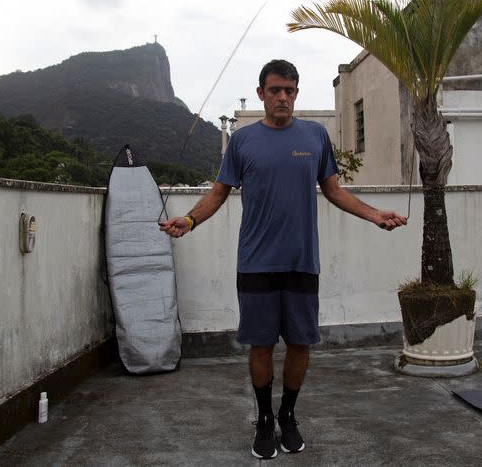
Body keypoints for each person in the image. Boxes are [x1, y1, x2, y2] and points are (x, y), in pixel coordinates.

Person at [160, 59, 407, 459]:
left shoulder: (315, 136)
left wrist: (374, 214)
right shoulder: (242, 141)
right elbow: (219, 192)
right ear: (261, 94)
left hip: (301, 261)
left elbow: (333, 189)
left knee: (300, 343)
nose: (282, 97)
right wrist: (189, 220)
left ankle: (287, 415)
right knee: (260, 345)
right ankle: (263, 419)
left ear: (296, 93)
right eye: (274, 90)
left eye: (290, 90)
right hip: (255, 262)